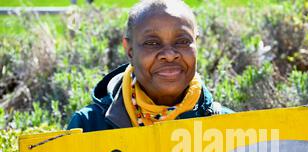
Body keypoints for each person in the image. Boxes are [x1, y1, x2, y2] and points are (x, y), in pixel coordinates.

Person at [68, 0, 231, 132]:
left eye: (182, 41)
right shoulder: (89, 127)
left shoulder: (229, 127)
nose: (169, 54)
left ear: (197, 44)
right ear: (130, 50)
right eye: (152, 43)